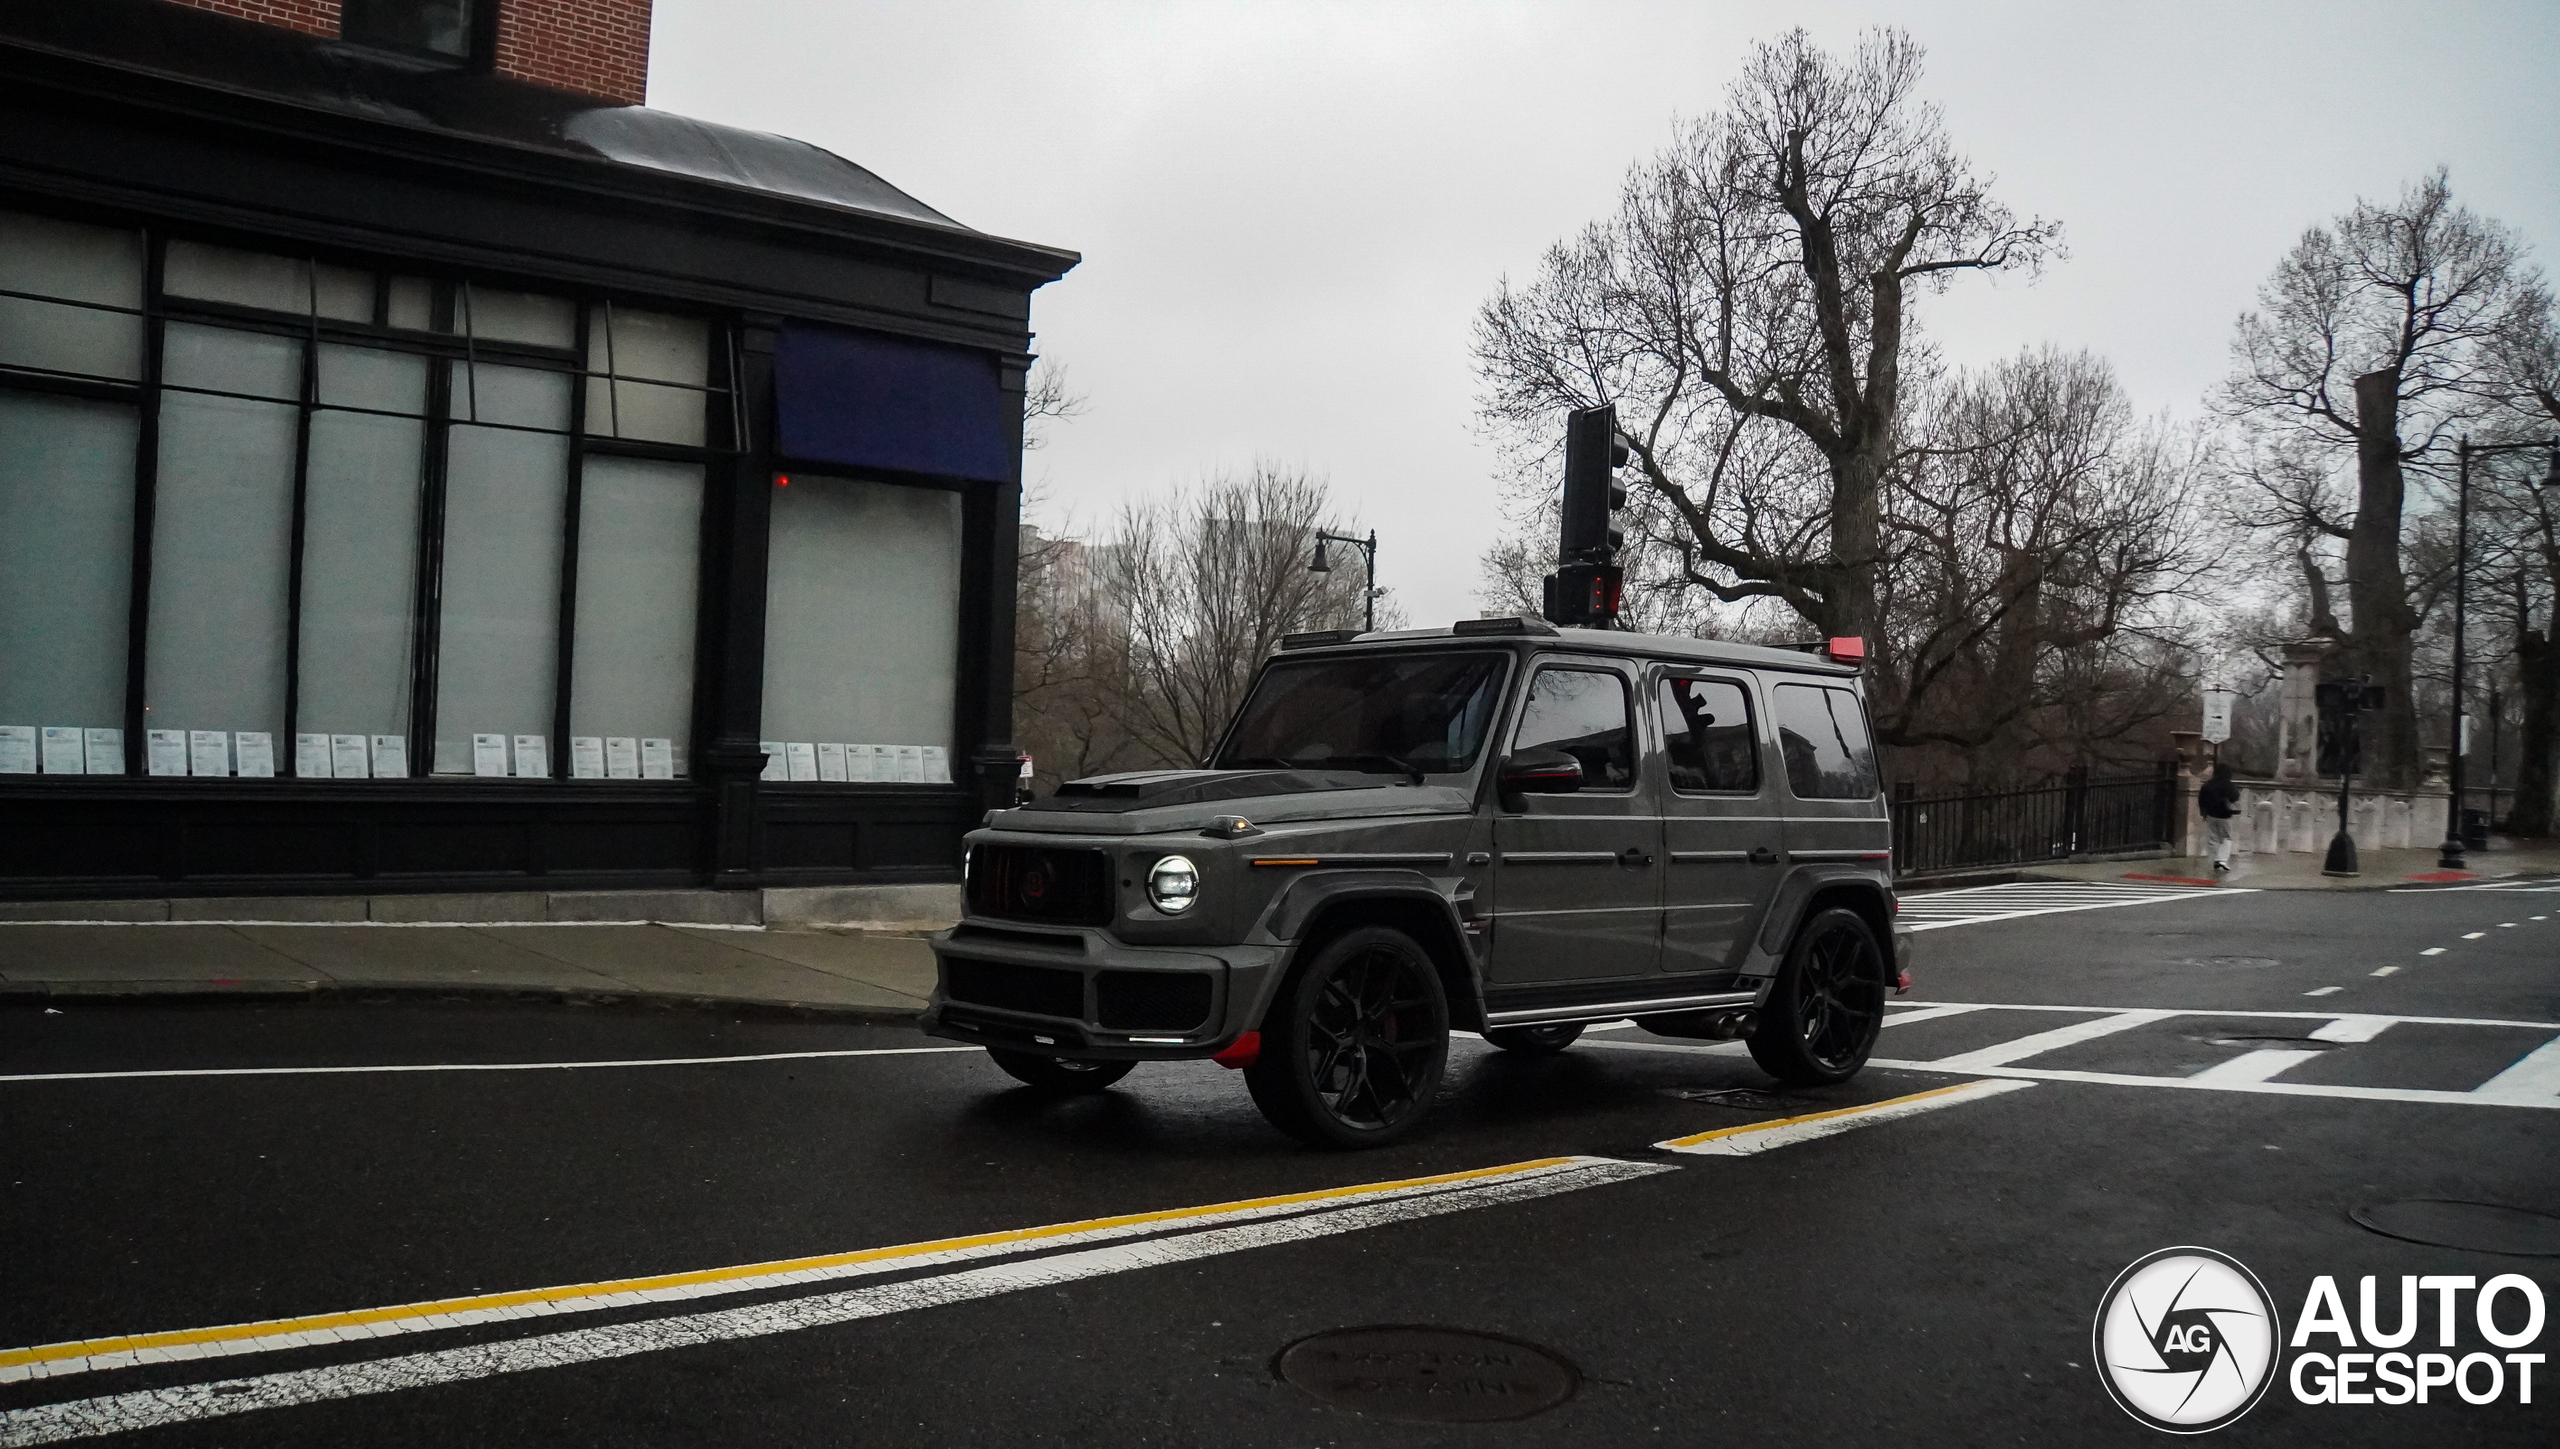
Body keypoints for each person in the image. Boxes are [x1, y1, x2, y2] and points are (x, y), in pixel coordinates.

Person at [2198, 760, 2242, 876]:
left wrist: (2203, 812)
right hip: (2225, 815)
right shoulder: (2228, 784)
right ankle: (2221, 859)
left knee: (2212, 839)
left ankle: (2214, 860)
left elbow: (2201, 799)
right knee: (2226, 838)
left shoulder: (2207, 785)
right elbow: (2235, 796)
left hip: (2211, 815)